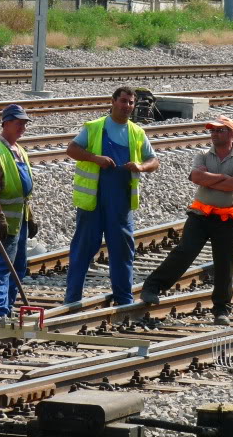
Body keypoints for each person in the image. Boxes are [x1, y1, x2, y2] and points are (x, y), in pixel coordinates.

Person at [140, 115, 233, 326]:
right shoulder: (202, 154)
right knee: (184, 251)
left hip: (227, 217)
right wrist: (221, 179)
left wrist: (209, 178)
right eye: (212, 131)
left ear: (231, 133)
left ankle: (221, 310)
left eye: (219, 130)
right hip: (200, 214)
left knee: (224, 264)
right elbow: (196, 178)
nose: (214, 134)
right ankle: (152, 287)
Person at [64, 86, 159, 306]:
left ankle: (124, 300)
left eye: (131, 103)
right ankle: (72, 299)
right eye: (124, 101)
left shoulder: (137, 132)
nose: (127, 106)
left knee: (123, 252)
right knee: (83, 250)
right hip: (93, 203)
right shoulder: (95, 127)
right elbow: (71, 150)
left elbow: (154, 161)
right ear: (113, 101)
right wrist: (95, 158)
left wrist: (141, 167)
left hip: (121, 204)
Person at [0, 104, 36, 325]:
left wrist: (30, 216)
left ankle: (9, 307)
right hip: (2, 222)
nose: (22, 127)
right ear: (6, 123)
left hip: (18, 220)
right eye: (18, 123)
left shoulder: (19, 150)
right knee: (3, 266)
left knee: (18, 266)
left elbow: (24, 191)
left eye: (24, 123)